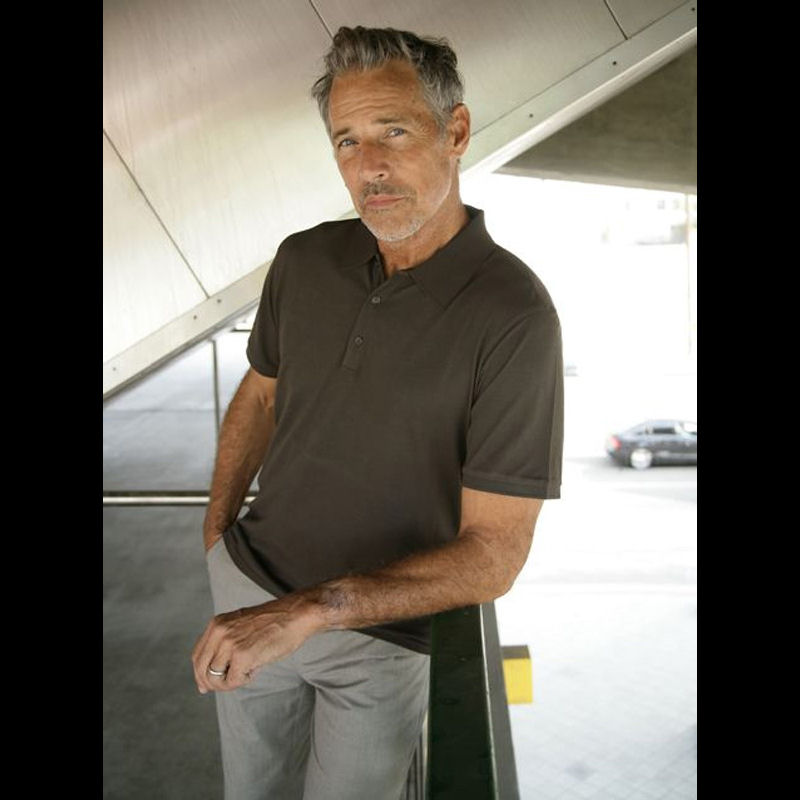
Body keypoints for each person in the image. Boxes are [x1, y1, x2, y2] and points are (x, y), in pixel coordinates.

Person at [191, 25, 564, 800]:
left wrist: (311, 611)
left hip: (381, 641)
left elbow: (495, 555)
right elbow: (259, 393)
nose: (368, 167)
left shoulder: (514, 315)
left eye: (393, 132)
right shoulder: (304, 259)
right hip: (248, 591)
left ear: (455, 131)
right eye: (347, 141)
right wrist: (217, 536)